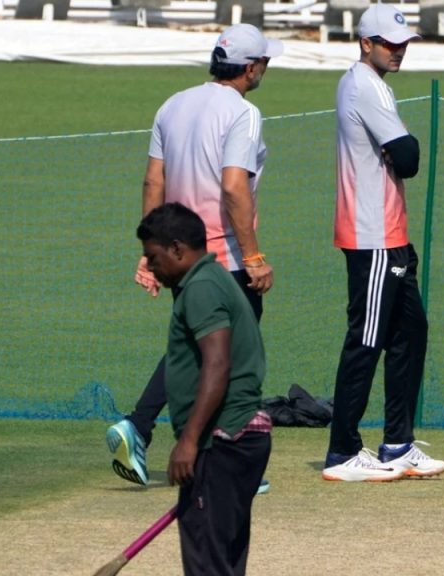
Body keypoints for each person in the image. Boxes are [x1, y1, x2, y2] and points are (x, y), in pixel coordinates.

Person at [106, 23, 280, 488]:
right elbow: (233, 185)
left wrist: (151, 253)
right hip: (222, 256)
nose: (265, 69)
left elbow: (152, 181)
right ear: (251, 67)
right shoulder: (244, 112)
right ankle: (219, 457)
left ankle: (140, 427)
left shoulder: (173, 103)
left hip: (178, 252)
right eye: (264, 62)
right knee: (228, 353)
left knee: (189, 350)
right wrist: (255, 256)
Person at [322, 4, 444, 483]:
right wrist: (405, 146)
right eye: (389, 44)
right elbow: (409, 157)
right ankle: (342, 450)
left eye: (403, 44)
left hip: (390, 233)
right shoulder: (363, 85)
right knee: (366, 339)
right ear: (365, 44)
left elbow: (403, 155)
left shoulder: (376, 85)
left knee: (410, 333)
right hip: (371, 233)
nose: (398, 51)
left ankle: (397, 442)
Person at [137, 202, 271, 575]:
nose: (149, 267)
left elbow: (217, 363)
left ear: (178, 248)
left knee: (207, 563)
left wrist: (189, 440)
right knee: (222, 558)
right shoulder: (210, 278)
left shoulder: (201, 288)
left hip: (222, 440)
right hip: (235, 439)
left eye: (153, 257)